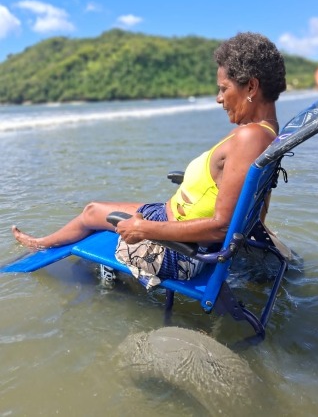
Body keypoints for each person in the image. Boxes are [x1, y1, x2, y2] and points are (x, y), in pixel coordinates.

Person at [11, 32, 287, 281]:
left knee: (93, 214)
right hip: (175, 219)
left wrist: (144, 230)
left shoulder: (250, 138)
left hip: (182, 250)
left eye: (224, 88)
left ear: (251, 87)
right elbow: (251, 206)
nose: (218, 98)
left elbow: (220, 227)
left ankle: (43, 245)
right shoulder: (266, 134)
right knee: (93, 211)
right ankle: (44, 243)